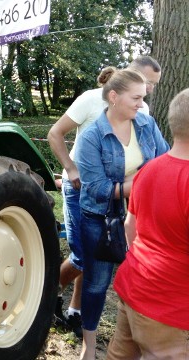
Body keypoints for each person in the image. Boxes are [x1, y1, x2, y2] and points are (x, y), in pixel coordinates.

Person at [47, 56, 162, 337]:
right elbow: (55, 133)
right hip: (81, 190)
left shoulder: (142, 112)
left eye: (151, 86)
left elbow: (151, 153)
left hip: (119, 197)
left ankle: (76, 311)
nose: (148, 91)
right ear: (129, 76)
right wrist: (71, 170)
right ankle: (48, 297)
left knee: (97, 257)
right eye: (146, 82)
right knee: (85, 256)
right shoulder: (90, 100)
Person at [75, 68, 169, 360]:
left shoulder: (145, 123)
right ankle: (88, 347)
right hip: (99, 218)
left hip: (141, 215)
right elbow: (99, 189)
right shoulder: (92, 136)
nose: (142, 104)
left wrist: (138, 182)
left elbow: (163, 159)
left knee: (142, 280)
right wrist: (140, 180)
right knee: (97, 283)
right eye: (136, 97)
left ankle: (131, 345)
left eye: (143, 97)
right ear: (113, 97)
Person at [106, 88, 189, 359]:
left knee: (120, 355)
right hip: (170, 308)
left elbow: (131, 228)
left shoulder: (149, 170)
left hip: (135, 286)